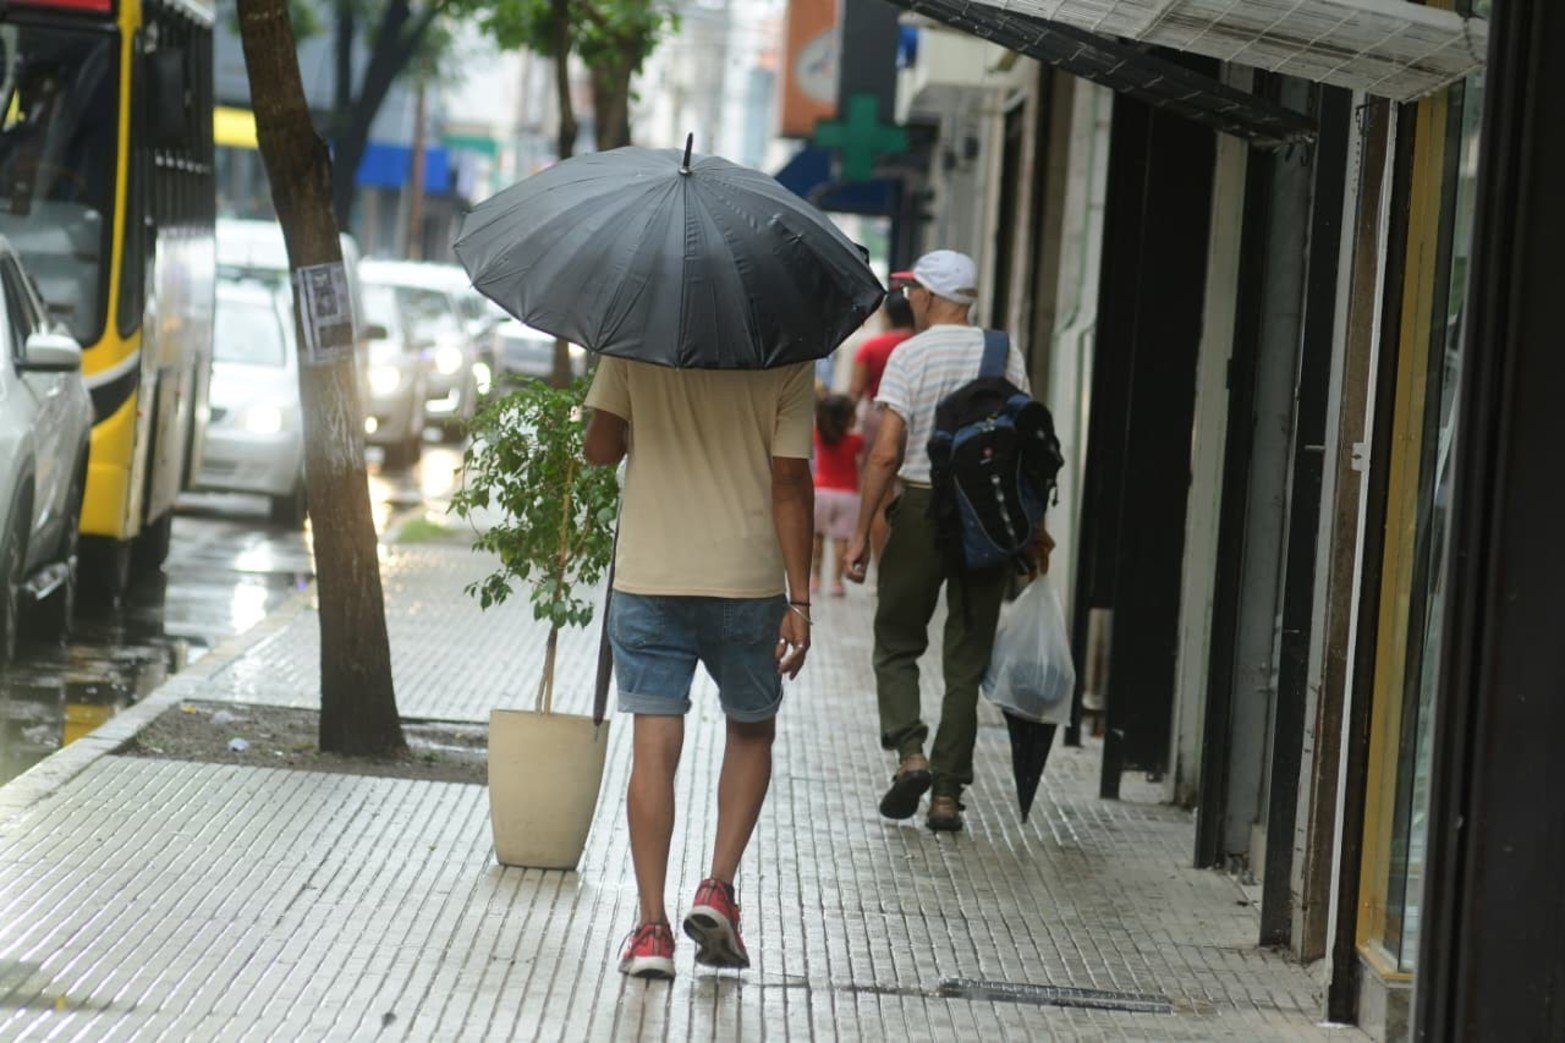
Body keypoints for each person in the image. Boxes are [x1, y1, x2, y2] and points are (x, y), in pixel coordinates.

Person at [583, 355, 815, 981]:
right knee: (749, 729)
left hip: (650, 574)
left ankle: (652, 929)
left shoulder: (635, 337)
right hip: (746, 577)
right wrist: (801, 600)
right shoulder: (786, 350)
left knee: (654, 746)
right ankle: (717, 888)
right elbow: (790, 478)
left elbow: (600, 449)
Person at [845, 249, 1029, 833]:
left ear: (929, 295)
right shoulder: (1003, 352)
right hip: (988, 515)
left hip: (923, 505)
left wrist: (860, 531)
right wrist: (1033, 531)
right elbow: (1023, 442)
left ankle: (911, 754)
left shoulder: (911, 355)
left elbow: (886, 451)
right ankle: (948, 795)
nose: (906, 300)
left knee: (897, 641)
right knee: (966, 658)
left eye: (910, 291)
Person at [849, 292, 915, 561]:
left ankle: (883, 564)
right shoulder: (919, 345)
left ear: (888, 316)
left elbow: (855, 390)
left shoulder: (870, 347)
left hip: (879, 419)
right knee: (914, 493)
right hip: (917, 421)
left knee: (880, 494)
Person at [811, 394, 863, 598]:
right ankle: (836, 582)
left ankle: (814, 577)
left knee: (817, 536)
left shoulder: (816, 435)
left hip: (821, 492)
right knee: (841, 539)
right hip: (848, 495)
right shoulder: (856, 441)